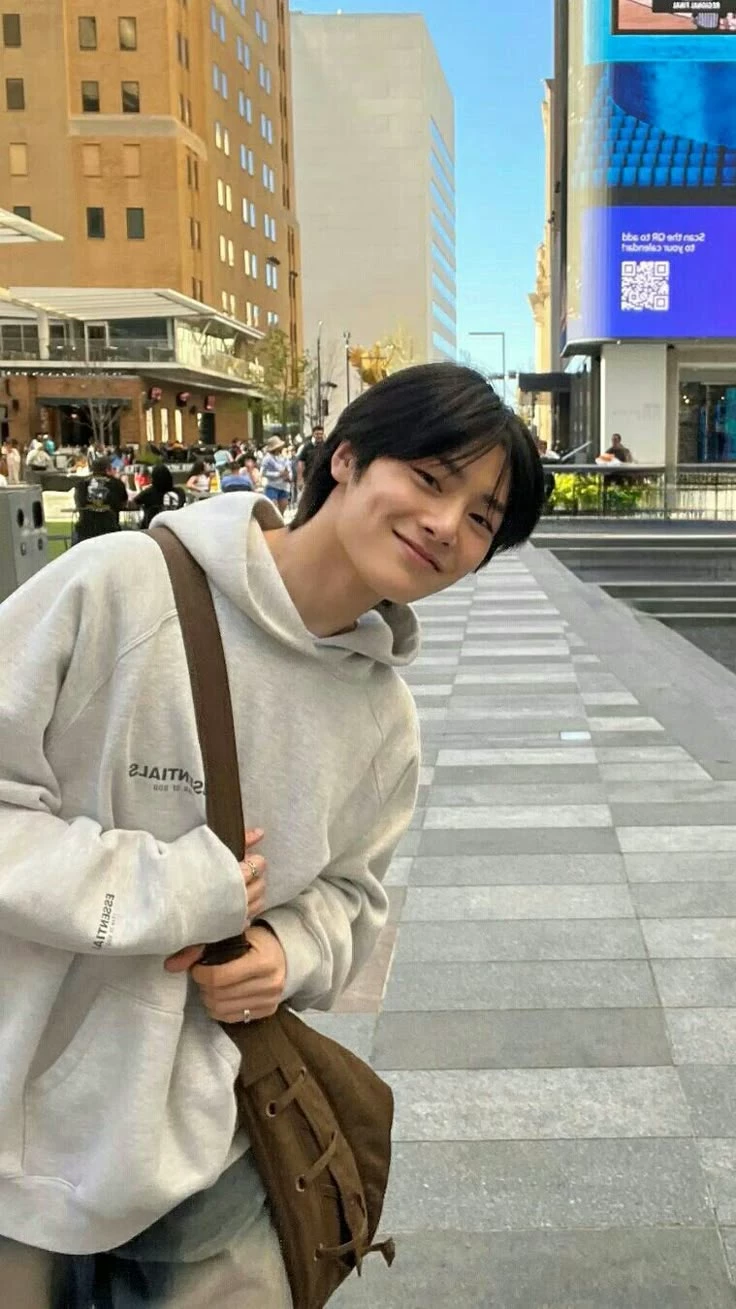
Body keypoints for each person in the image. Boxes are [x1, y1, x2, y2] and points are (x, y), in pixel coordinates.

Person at [0, 363, 543, 1306]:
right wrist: (179, 888)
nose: (446, 524)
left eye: (482, 519)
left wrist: (287, 951)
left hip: (215, 1140)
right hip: (23, 1122)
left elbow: (353, 896)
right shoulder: (120, 588)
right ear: (347, 458)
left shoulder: (385, 720)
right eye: (429, 477)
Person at [73, 456, 129, 542]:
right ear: (108, 469)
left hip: (85, 530)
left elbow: (79, 504)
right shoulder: (117, 483)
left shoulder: (81, 484)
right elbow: (123, 503)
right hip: (109, 529)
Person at [132, 461, 186, 528]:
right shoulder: (179, 492)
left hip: (151, 527)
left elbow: (135, 502)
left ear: (153, 478)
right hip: (174, 526)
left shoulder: (148, 493)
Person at [260, 436, 292, 513]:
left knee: (281, 511)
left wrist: (289, 476)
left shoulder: (284, 457)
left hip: (284, 486)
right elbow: (262, 472)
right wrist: (278, 474)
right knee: (273, 509)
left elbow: (289, 469)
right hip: (272, 486)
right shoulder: (267, 458)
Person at [296, 425, 325, 495]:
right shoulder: (307, 447)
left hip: (322, 478)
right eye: (317, 434)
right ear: (313, 434)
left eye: (321, 434)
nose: (319, 436)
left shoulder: (326, 446)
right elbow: (301, 463)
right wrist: (300, 479)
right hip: (309, 478)